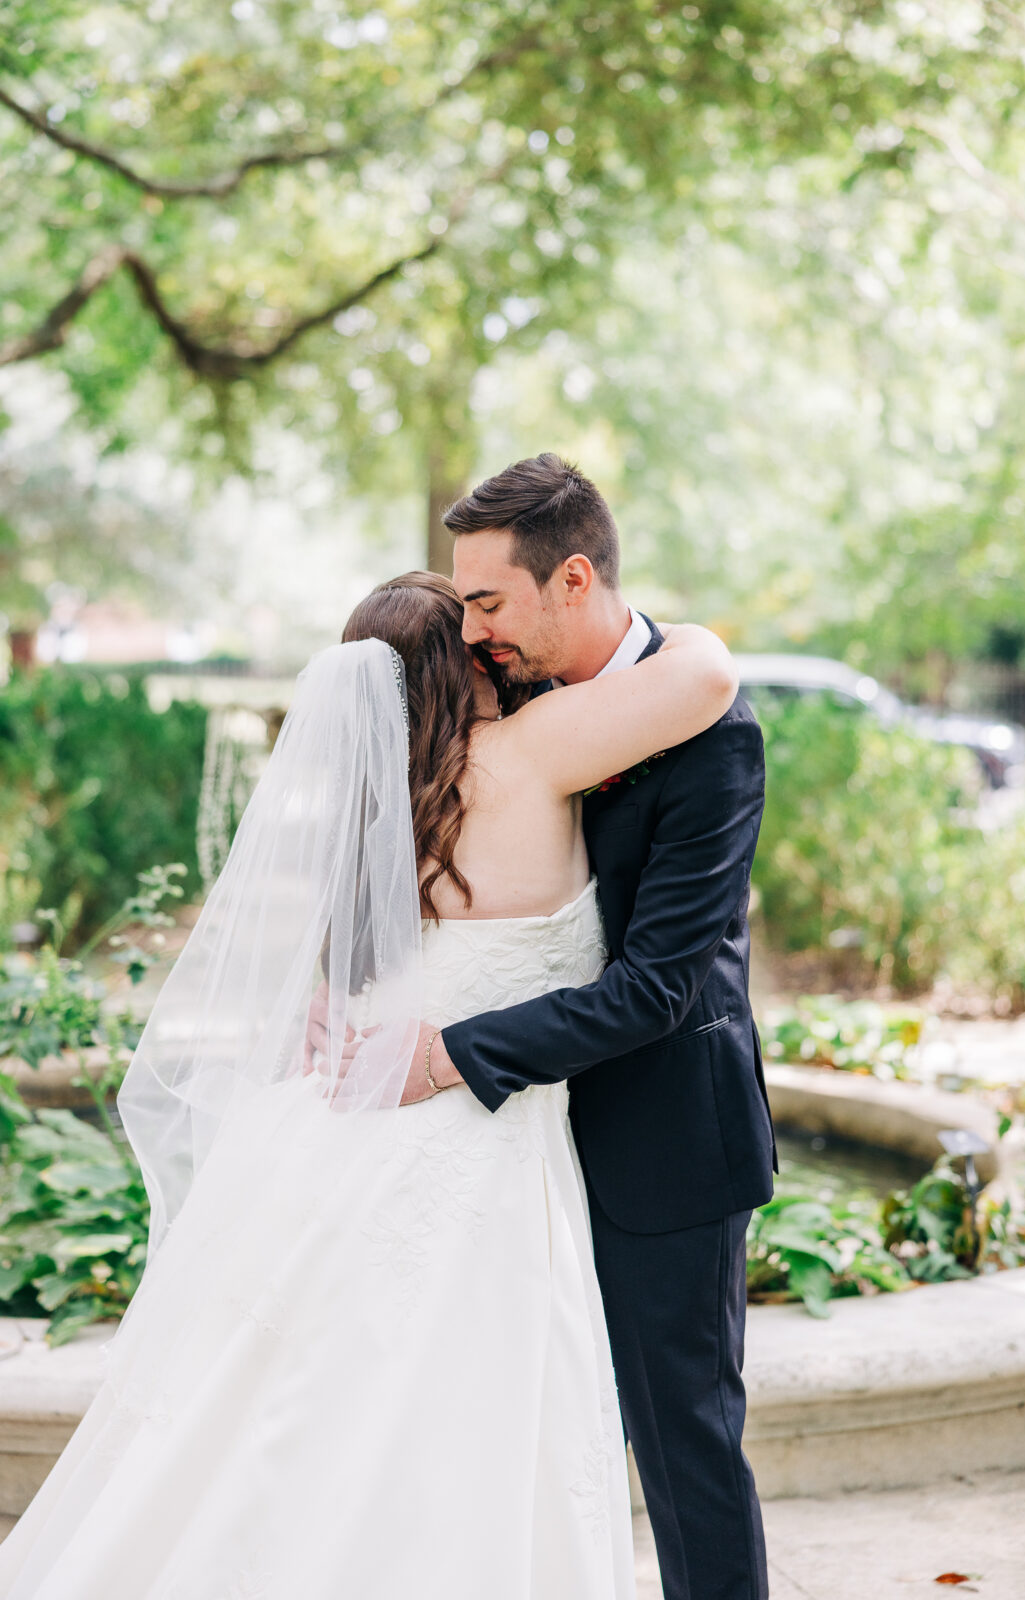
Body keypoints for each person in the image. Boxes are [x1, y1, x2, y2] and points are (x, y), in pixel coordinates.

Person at [0, 568, 738, 1600]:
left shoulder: (376, 798)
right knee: (457, 1429)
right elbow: (701, 671)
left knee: (290, 1419)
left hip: (334, 1134)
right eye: (479, 630)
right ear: (465, 664)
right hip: (476, 1146)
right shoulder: (525, 756)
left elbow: (377, 973)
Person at [393, 454, 778, 1600]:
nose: (472, 631)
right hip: (517, 1162)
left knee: (683, 1444)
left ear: (572, 577)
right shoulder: (511, 693)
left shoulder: (709, 728)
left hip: (661, 1136)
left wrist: (454, 1053)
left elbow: (661, 985)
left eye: (488, 600)